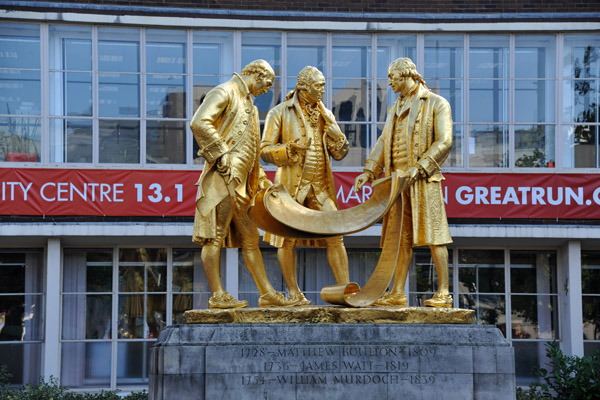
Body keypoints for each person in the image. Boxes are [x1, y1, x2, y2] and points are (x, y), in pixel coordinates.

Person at [191, 59, 296, 309]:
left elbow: (252, 148)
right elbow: (199, 122)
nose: (267, 90)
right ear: (255, 74)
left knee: (251, 238)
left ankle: (267, 293)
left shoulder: (251, 105)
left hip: (243, 185)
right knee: (214, 237)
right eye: (267, 83)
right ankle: (217, 295)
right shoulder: (225, 91)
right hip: (223, 178)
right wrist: (221, 153)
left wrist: (261, 179)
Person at [354, 57, 453, 307]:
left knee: (435, 235)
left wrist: (420, 168)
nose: (389, 83)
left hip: (423, 180)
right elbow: (382, 142)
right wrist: (369, 170)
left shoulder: (436, 103)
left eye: (392, 78)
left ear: (406, 74)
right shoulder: (394, 109)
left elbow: (445, 142)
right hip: (395, 183)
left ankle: (444, 292)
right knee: (399, 238)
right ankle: (397, 292)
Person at [261, 66, 351, 305]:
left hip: (320, 187)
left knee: (336, 234)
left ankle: (346, 291)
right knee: (286, 239)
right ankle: (294, 292)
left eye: (323, 84)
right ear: (303, 87)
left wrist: (338, 135)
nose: (322, 89)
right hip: (291, 187)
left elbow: (340, 154)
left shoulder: (326, 114)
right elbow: (264, 150)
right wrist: (287, 149)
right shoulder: (279, 112)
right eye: (318, 85)